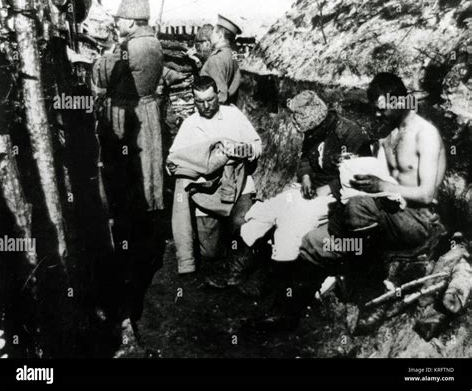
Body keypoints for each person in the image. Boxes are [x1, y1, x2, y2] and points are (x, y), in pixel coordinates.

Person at [250, 73, 447, 332]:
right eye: (375, 111)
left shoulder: (425, 134)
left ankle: (373, 292)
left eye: (382, 110)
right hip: (381, 213)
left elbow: (426, 194)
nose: (377, 116)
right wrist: (351, 165)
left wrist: (382, 186)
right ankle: (286, 314)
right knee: (312, 241)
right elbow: (377, 173)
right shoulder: (386, 134)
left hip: (415, 220)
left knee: (356, 209)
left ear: (399, 101)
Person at [208, 90, 370, 292]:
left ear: (319, 121)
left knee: (292, 223)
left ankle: (275, 281)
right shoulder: (315, 130)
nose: (307, 135)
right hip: (310, 191)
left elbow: (360, 176)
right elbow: (305, 159)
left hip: (337, 197)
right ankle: (236, 270)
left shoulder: (351, 135)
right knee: (265, 211)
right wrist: (306, 177)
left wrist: (328, 189)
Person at [91, 0, 166, 321]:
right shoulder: (150, 42)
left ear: (132, 21)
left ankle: (130, 256)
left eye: (120, 19)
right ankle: (140, 236)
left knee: (130, 182)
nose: (115, 23)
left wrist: (103, 51)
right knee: (144, 178)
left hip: (130, 116)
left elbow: (101, 75)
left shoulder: (132, 47)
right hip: (143, 113)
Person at [167, 76, 262, 275]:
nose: (206, 106)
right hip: (208, 193)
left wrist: (240, 150)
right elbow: (173, 160)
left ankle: (241, 256)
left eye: (210, 100)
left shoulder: (233, 115)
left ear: (218, 95)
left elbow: (256, 145)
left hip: (237, 185)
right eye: (200, 102)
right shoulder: (190, 124)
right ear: (194, 101)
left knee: (241, 225)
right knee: (211, 252)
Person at [200, 15, 242, 104]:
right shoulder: (232, 54)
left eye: (214, 32)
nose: (211, 36)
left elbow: (220, 96)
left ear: (219, 35)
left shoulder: (216, 59)